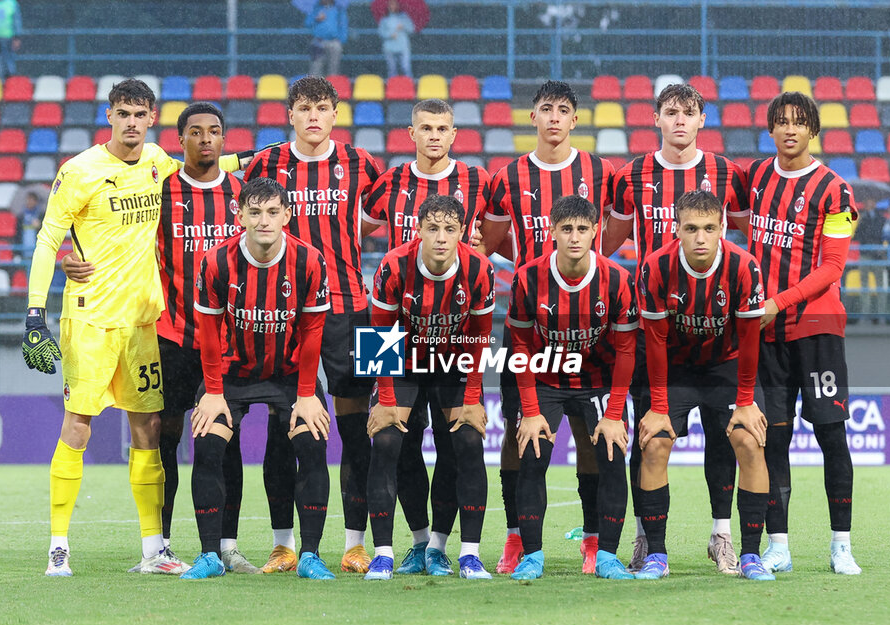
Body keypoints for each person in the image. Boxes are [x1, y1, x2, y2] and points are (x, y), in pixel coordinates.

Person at [60, 102, 257, 574]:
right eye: (195, 132)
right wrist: (74, 256)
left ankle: (227, 546)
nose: (205, 139)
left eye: (214, 131)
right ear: (180, 140)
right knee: (163, 439)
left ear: (224, 140)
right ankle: (161, 545)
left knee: (225, 440)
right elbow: (115, 237)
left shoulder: (240, 193)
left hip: (224, 340)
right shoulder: (159, 187)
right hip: (167, 334)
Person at [23, 79, 185, 577]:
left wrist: (255, 160)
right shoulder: (79, 171)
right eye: (123, 113)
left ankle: (153, 550)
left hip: (142, 322)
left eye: (140, 113)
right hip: (90, 317)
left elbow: (209, 170)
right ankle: (59, 546)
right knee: (79, 424)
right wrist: (35, 313)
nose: (132, 122)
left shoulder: (159, 161)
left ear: (152, 117)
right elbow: (49, 239)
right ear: (109, 116)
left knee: (149, 428)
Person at [604, 82, 751, 575]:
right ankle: (647, 539)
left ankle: (721, 537)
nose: (680, 121)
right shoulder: (634, 174)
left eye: (689, 113)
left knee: (724, 438)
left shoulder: (727, 173)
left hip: (717, 331)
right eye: (671, 112)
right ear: (657, 119)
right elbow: (609, 238)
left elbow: (750, 238)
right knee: (649, 437)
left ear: (702, 120)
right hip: (656, 332)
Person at [243, 76, 382, 574]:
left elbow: (401, 212)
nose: (314, 116)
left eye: (323, 107)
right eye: (305, 108)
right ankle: (284, 544)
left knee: (360, 427)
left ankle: (357, 543)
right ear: (291, 115)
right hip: (283, 312)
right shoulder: (266, 164)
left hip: (352, 306)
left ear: (335, 113)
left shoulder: (361, 163)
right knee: (285, 426)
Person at [480, 80, 616, 575]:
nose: (554, 118)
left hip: (589, 326)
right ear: (531, 117)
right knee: (521, 435)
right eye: (545, 109)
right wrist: (531, 275)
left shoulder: (600, 172)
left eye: (563, 110)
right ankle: (516, 539)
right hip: (529, 328)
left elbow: (614, 232)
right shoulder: (508, 176)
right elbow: (491, 240)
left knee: (588, 436)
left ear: (575, 120)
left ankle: (594, 541)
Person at [361, 98, 492, 574]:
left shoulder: (479, 186)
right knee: (394, 438)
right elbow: (379, 328)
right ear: (410, 133)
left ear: (455, 133)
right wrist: (386, 396)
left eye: (443, 128)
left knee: (463, 438)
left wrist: (474, 397)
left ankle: (450, 547)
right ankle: (405, 546)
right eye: (425, 128)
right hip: (400, 342)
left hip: (454, 350)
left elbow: (479, 336)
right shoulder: (390, 202)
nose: (434, 135)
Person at [187, 177, 334, 580]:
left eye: (272, 212)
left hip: (289, 374)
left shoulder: (309, 261)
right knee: (208, 444)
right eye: (255, 212)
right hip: (231, 373)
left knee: (312, 441)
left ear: (287, 215)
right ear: (240, 216)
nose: (264, 220)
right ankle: (209, 555)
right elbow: (209, 333)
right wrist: (213, 393)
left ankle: (310, 556)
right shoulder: (217, 261)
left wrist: (307, 395)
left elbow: (312, 334)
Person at [746, 91, 861, 575]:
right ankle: (780, 546)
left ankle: (841, 545)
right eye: (781, 122)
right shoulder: (753, 178)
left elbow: (833, 266)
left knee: (831, 435)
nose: (790, 130)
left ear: (813, 131)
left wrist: (778, 302)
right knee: (773, 440)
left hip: (815, 329)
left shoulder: (836, 190)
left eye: (799, 122)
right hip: (766, 335)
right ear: (770, 130)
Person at [636, 190, 773, 581]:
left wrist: (745, 402)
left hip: (727, 367)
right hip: (675, 368)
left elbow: (750, 340)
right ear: (676, 229)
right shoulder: (657, 267)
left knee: (749, 441)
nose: (700, 237)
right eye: (691, 228)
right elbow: (656, 341)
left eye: (709, 228)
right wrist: (659, 406)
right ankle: (656, 555)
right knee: (655, 442)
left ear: (722, 228)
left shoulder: (744, 266)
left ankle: (749, 555)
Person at [506, 195, 638, 580]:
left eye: (582, 229)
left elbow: (627, 350)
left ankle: (607, 557)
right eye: (567, 229)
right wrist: (530, 411)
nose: (575, 237)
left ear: (596, 231)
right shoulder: (528, 278)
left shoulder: (617, 279)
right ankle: (532, 556)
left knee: (612, 457)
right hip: (545, 379)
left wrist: (615, 414)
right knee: (531, 456)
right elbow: (520, 346)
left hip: (597, 381)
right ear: (552, 232)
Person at [307, 0, 348, 76]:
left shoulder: (339, 9)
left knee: (334, 68)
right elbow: (308, 23)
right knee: (315, 68)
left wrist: (341, 41)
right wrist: (316, 19)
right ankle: (316, 86)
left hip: (334, 42)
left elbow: (343, 25)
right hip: (318, 42)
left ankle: (331, 85)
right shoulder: (316, 9)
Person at [378, 0, 415, 79]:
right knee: (392, 70)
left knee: (406, 68)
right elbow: (381, 32)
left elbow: (412, 29)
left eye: (394, 4)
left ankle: (409, 86)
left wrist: (404, 26)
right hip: (389, 48)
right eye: (391, 5)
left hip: (403, 47)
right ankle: (392, 88)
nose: (392, 6)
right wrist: (390, 35)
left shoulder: (404, 17)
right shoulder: (384, 19)